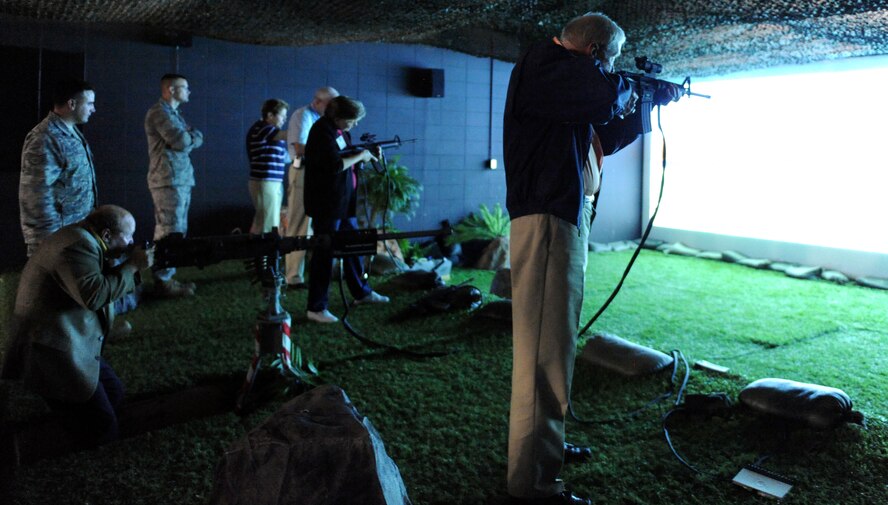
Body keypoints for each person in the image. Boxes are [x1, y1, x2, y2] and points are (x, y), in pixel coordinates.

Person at [503, 12, 682, 505]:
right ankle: (533, 483)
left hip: (562, 218)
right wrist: (626, 87)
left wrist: (646, 105)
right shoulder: (547, 63)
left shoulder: (563, 84)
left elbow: (603, 136)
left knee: (554, 345)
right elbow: (602, 97)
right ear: (595, 53)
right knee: (543, 353)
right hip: (547, 221)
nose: (611, 70)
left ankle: (546, 452)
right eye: (610, 62)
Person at [0, 205, 153, 447]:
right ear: (106, 235)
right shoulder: (76, 246)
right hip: (50, 352)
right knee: (101, 428)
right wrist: (133, 266)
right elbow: (94, 296)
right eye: (128, 235)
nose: (132, 241)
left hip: (70, 342)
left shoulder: (82, 237)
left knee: (114, 393)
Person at [303, 96, 389, 323]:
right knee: (324, 253)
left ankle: (361, 292)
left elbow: (346, 155)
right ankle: (316, 307)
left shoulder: (341, 132)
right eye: (352, 120)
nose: (354, 125)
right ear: (339, 118)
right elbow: (335, 165)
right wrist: (361, 155)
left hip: (343, 203)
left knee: (353, 247)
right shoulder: (322, 131)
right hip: (327, 205)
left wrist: (365, 154)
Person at [19, 78, 97, 258]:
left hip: (76, 232)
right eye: (90, 103)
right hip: (57, 238)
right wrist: (50, 242)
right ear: (72, 104)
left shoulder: (72, 132)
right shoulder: (44, 138)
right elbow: (36, 195)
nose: (94, 109)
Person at [145, 73, 203, 298]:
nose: (189, 92)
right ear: (171, 90)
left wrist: (191, 137)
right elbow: (181, 140)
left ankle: (166, 277)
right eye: (184, 87)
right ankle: (163, 281)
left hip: (178, 179)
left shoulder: (173, 114)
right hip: (167, 179)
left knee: (176, 229)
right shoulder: (159, 113)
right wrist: (190, 137)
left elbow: (194, 137)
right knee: (169, 230)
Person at [284, 86, 339, 288]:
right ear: (317, 102)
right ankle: (293, 276)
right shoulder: (303, 115)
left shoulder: (318, 118)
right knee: (299, 222)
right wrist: (328, 150)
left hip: (312, 172)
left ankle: (296, 272)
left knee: (306, 223)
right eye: (331, 104)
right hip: (302, 171)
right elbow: (299, 147)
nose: (335, 108)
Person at [247, 98, 289, 234]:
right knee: (268, 223)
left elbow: (286, 157)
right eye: (282, 116)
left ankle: (258, 252)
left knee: (264, 220)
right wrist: (303, 128)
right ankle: (265, 253)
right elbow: (287, 135)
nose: (284, 120)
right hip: (265, 181)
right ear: (270, 115)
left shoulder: (271, 133)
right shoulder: (262, 128)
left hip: (272, 182)